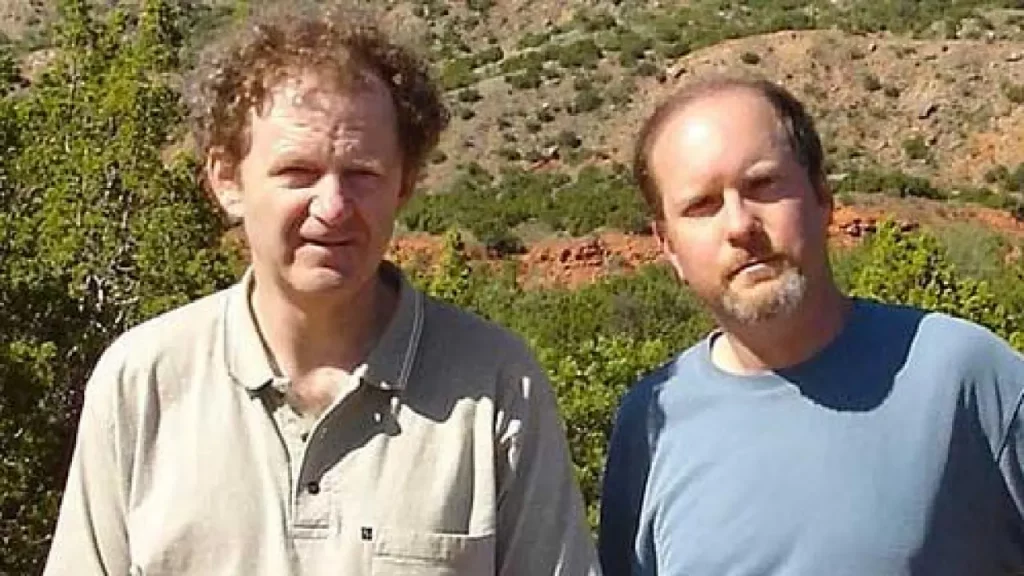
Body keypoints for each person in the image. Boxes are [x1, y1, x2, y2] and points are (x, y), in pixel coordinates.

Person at [44, 6, 599, 575]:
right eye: (298, 173)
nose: (332, 207)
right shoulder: (144, 382)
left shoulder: (497, 386)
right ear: (227, 181)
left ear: (404, 184)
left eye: (362, 174)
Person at [598, 75, 1024, 575]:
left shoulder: (962, 375)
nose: (740, 225)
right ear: (669, 245)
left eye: (763, 185)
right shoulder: (649, 423)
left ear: (821, 196)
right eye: (702, 206)